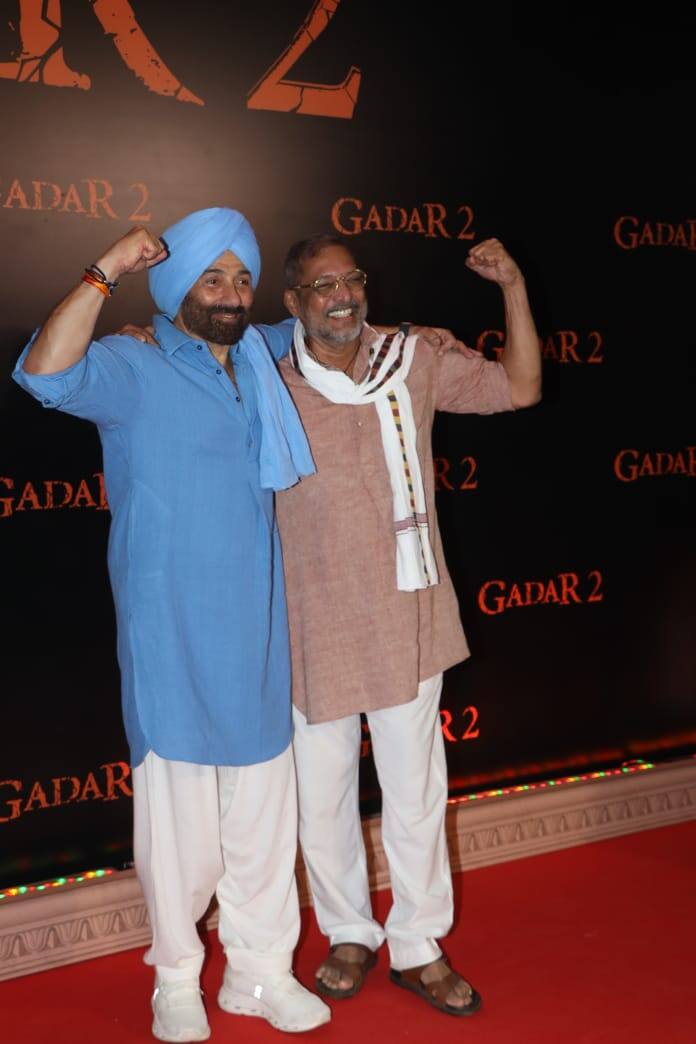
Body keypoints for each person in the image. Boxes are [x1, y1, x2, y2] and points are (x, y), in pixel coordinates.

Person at [12, 208, 331, 1043]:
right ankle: (179, 980)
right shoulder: (131, 362)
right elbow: (43, 373)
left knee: (265, 820)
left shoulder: (260, 355)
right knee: (181, 829)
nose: (230, 294)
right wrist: (106, 266)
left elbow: (332, 317)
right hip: (171, 632)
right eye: (211, 276)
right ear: (174, 285)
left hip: (258, 625)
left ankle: (259, 974)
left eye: (241, 277)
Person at [275, 233, 541, 1016]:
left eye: (350, 279)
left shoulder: (411, 358)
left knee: (416, 791)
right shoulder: (266, 375)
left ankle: (419, 942)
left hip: (407, 609)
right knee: (321, 796)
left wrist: (514, 288)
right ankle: (350, 932)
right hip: (311, 615)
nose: (340, 296)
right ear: (293, 303)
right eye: (321, 286)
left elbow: (521, 388)